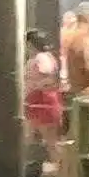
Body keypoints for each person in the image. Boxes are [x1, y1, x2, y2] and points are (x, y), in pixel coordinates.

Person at [23, 28, 65, 164]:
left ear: (31, 44)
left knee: (51, 142)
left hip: (43, 103)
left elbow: (50, 78)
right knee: (29, 138)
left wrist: (34, 87)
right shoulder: (39, 58)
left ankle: (62, 168)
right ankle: (29, 166)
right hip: (34, 104)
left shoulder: (42, 58)